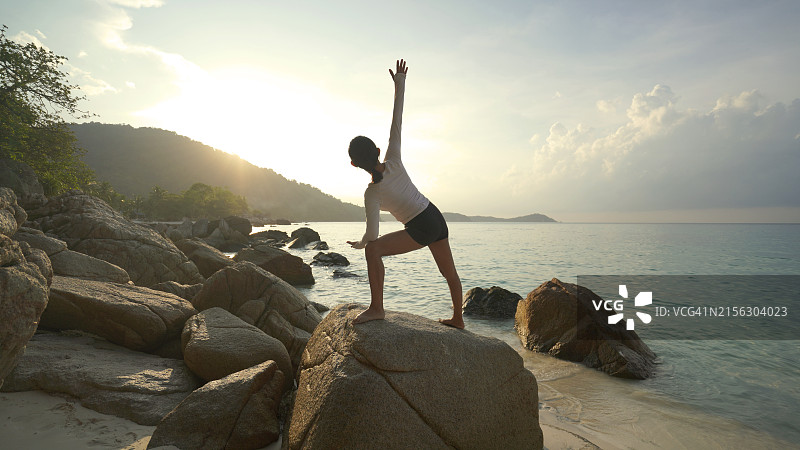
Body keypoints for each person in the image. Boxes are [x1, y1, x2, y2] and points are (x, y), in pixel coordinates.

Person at [347, 59, 464, 329]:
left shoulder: (371, 194)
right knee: (449, 273)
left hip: (420, 226)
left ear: (354, 165)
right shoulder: (394, 159)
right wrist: (400, 82)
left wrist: (362, 244)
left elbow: (373, 237)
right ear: (377, 151)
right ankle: (458, 319)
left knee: (374, 251)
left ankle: (377, 308)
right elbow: (396, 120)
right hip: (435, 215)